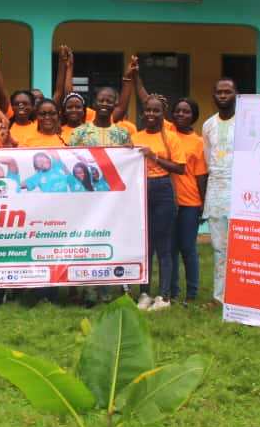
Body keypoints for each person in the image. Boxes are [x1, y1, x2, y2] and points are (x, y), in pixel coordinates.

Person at [131, 95, 185, 311]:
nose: (151, 114)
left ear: (163, 114)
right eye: (148, 110)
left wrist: (153, 156)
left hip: (163, 188)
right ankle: (144, 293)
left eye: (156, 110)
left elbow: (180, 168)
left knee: (164, 245)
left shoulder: (171, 137)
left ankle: (164, 296)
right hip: (140, 189)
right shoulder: (135, 137)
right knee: (145, 245)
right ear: (142, 112)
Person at [169, 97, 208, 307]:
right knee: (170, 249)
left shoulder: (199, 142)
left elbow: (201, 176)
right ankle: (172, 292)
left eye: (186, 111)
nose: (181, 114)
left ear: (194, 116)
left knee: (187, 248)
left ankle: (192, 293)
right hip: (168, 201)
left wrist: (203, 204)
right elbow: (149, 101)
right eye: (178, 111)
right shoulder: (167, 133)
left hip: (190, 202)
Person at [202, 77, 237, 305]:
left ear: (236, 95)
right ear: (214, 96)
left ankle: (240, 294)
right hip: (216, 189)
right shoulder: (208, 125)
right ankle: (220, 296)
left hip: (240, 190)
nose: (223, 96)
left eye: (228, 92)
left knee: (241, 246)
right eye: (219, 92)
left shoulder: (245, 122)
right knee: (219, 247)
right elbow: (208, 160)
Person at [68, 86, 132, 147]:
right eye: (101, 101)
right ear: (94, 103)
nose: (104, 104)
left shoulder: (123, 133)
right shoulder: (79, 132)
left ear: (114, 105)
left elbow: (128, 154)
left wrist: (129, 150)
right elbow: (71, 153)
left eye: (109, 101)